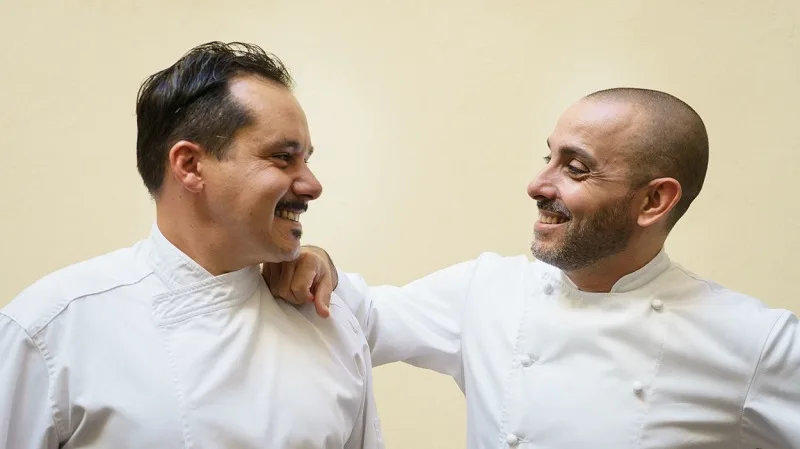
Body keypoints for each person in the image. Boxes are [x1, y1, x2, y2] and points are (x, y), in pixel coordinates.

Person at [265, 88, 800, 449]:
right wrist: (317, 261)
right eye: (549, 158)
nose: (538, 185)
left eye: (576, 168)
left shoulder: (756, 342)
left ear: (653, 201)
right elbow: (357, 316)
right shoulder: (487, 291)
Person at [0, 41, 383, 449]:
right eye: (282, 157)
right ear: (190, 165)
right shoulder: (51, 331)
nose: (312, 185)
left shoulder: (331, 326)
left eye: (306, 159)